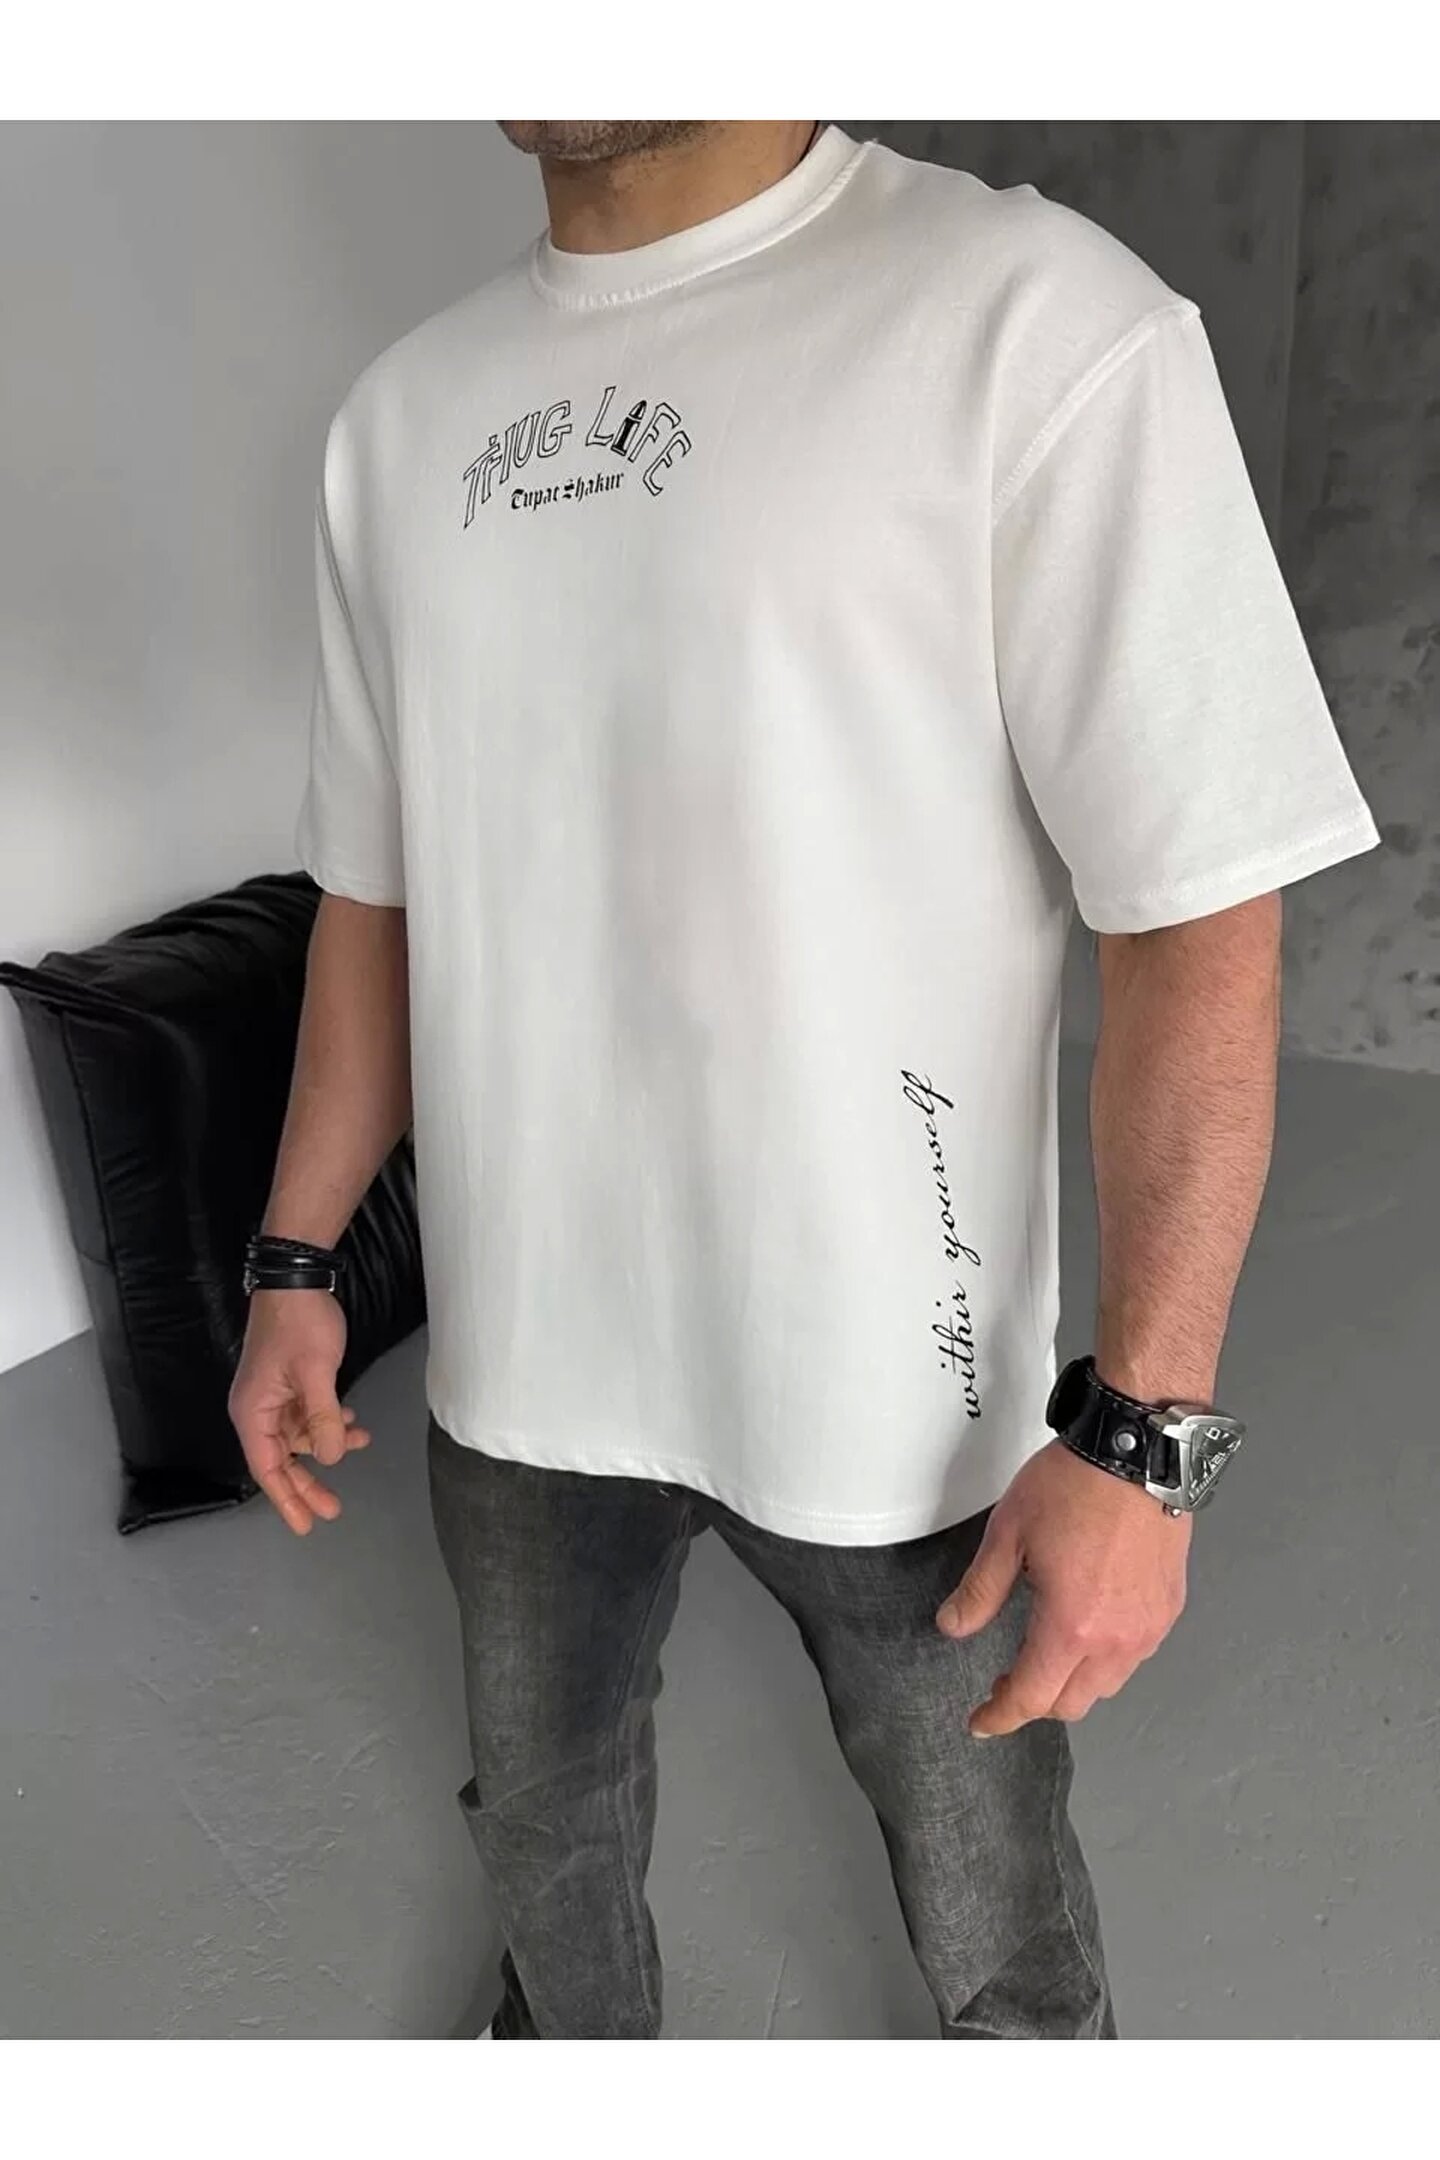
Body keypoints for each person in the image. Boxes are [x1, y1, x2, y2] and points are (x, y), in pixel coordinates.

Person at [228, 121, 1381, 2039]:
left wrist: (1144, 1443)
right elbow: (375, 901)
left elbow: (1192, 918)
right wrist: (296, 1259)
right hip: (520, 1360)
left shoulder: (1034, 322)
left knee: (991, 1895)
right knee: (542, 1829)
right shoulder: (399, 422)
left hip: (896, 1392)